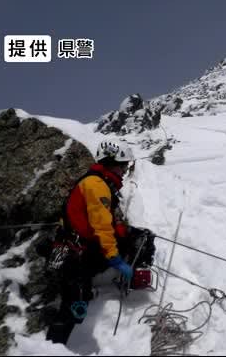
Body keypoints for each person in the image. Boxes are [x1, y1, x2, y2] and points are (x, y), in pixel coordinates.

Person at [46, 140, 155, 345]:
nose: (125, 170)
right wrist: (114, 258)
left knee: (143, 238)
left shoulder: (100, 182)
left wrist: (123, 231)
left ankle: (130, 281)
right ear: (110, 163)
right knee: (73, 307)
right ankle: (53, 347)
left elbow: (102, 222)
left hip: (82, 245)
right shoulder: (97, 186)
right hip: (78, 252)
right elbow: (102, 226)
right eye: (123, 165)